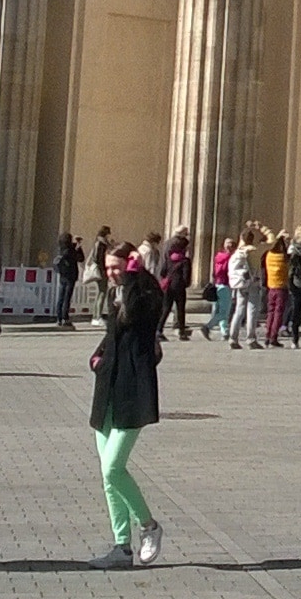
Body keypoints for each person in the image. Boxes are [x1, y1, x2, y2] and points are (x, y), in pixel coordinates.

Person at [85, 242, 170, 569]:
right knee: (108, 476)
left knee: (113, 467)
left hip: (133, 389)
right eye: (108, 268)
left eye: (117, 267)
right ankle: (122, 547)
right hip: (107, 386)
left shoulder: (147, 292)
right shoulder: (113, 293)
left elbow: (137, 319)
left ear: (131, 264)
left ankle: (150, 527)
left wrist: (133, 278)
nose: (111, 273)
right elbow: (114, 333)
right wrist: (97, 355)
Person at [160, 227, 194, 342]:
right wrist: (185, 284)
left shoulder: (169, 259)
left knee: (166, 309)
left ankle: (158, 330)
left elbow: (162, 272)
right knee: (180, 309)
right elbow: (186, 277)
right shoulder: (185, 261)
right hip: (179, 286)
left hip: (168, 285)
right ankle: (181, 332)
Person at [256, 227, 287, 348]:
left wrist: (278, 236)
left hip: (271, 286)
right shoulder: (284, 257)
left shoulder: (268, 256)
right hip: (281, 287)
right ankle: (274, 337)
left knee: (270, 312)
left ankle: (267, 335)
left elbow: (271, 242)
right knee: (278, 313)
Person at [52, 232, 84, 330]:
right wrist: (78, 247)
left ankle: (59, 318)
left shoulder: (60, 249)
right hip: (70, 275)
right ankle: (65, 318)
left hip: (63, 275)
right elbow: (80, 258)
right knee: (67, 297)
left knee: (61, 296)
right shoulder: (71, 250)